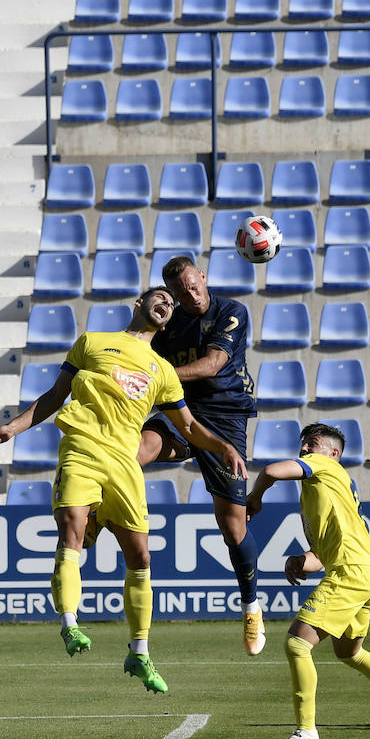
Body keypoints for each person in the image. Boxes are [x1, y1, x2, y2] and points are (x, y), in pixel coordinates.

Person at [0, 286, 246, 694]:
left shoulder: (161, 370)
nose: (168, 304)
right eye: (161, 297)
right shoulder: (92, 342)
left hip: (125, 462)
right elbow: (55, 396)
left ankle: (139, 652)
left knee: (140, 557)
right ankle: (70, 625)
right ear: (138, 304)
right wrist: (11, 427)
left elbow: (189, 427)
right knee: (72, 531)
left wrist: (223, 446)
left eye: (172, 304)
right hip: (83, 449)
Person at [245, 422, 370, 739]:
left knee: (297, 644)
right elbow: (321, 554)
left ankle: (307, 732)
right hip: (366, 571)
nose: (304, 448)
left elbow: (272, 471)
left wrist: (255, 497)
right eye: (303, 443)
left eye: (312, 443)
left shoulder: (324, 467)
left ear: (333, 453)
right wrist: (299, 561)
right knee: (350, 652)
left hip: (350, 572)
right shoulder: (323, 489)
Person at [138, 256, 264, 656]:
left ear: (204, 277)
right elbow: (136, 349)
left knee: (233, 528)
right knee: (136, 449)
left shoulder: (231, 311)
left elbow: (212, 365)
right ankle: (96, 514)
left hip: (226, 417)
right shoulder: (167, 322)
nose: (191, 296)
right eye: (182, 292)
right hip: (182, 411)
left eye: (195, 286)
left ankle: (251, 605)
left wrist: (158, 377)